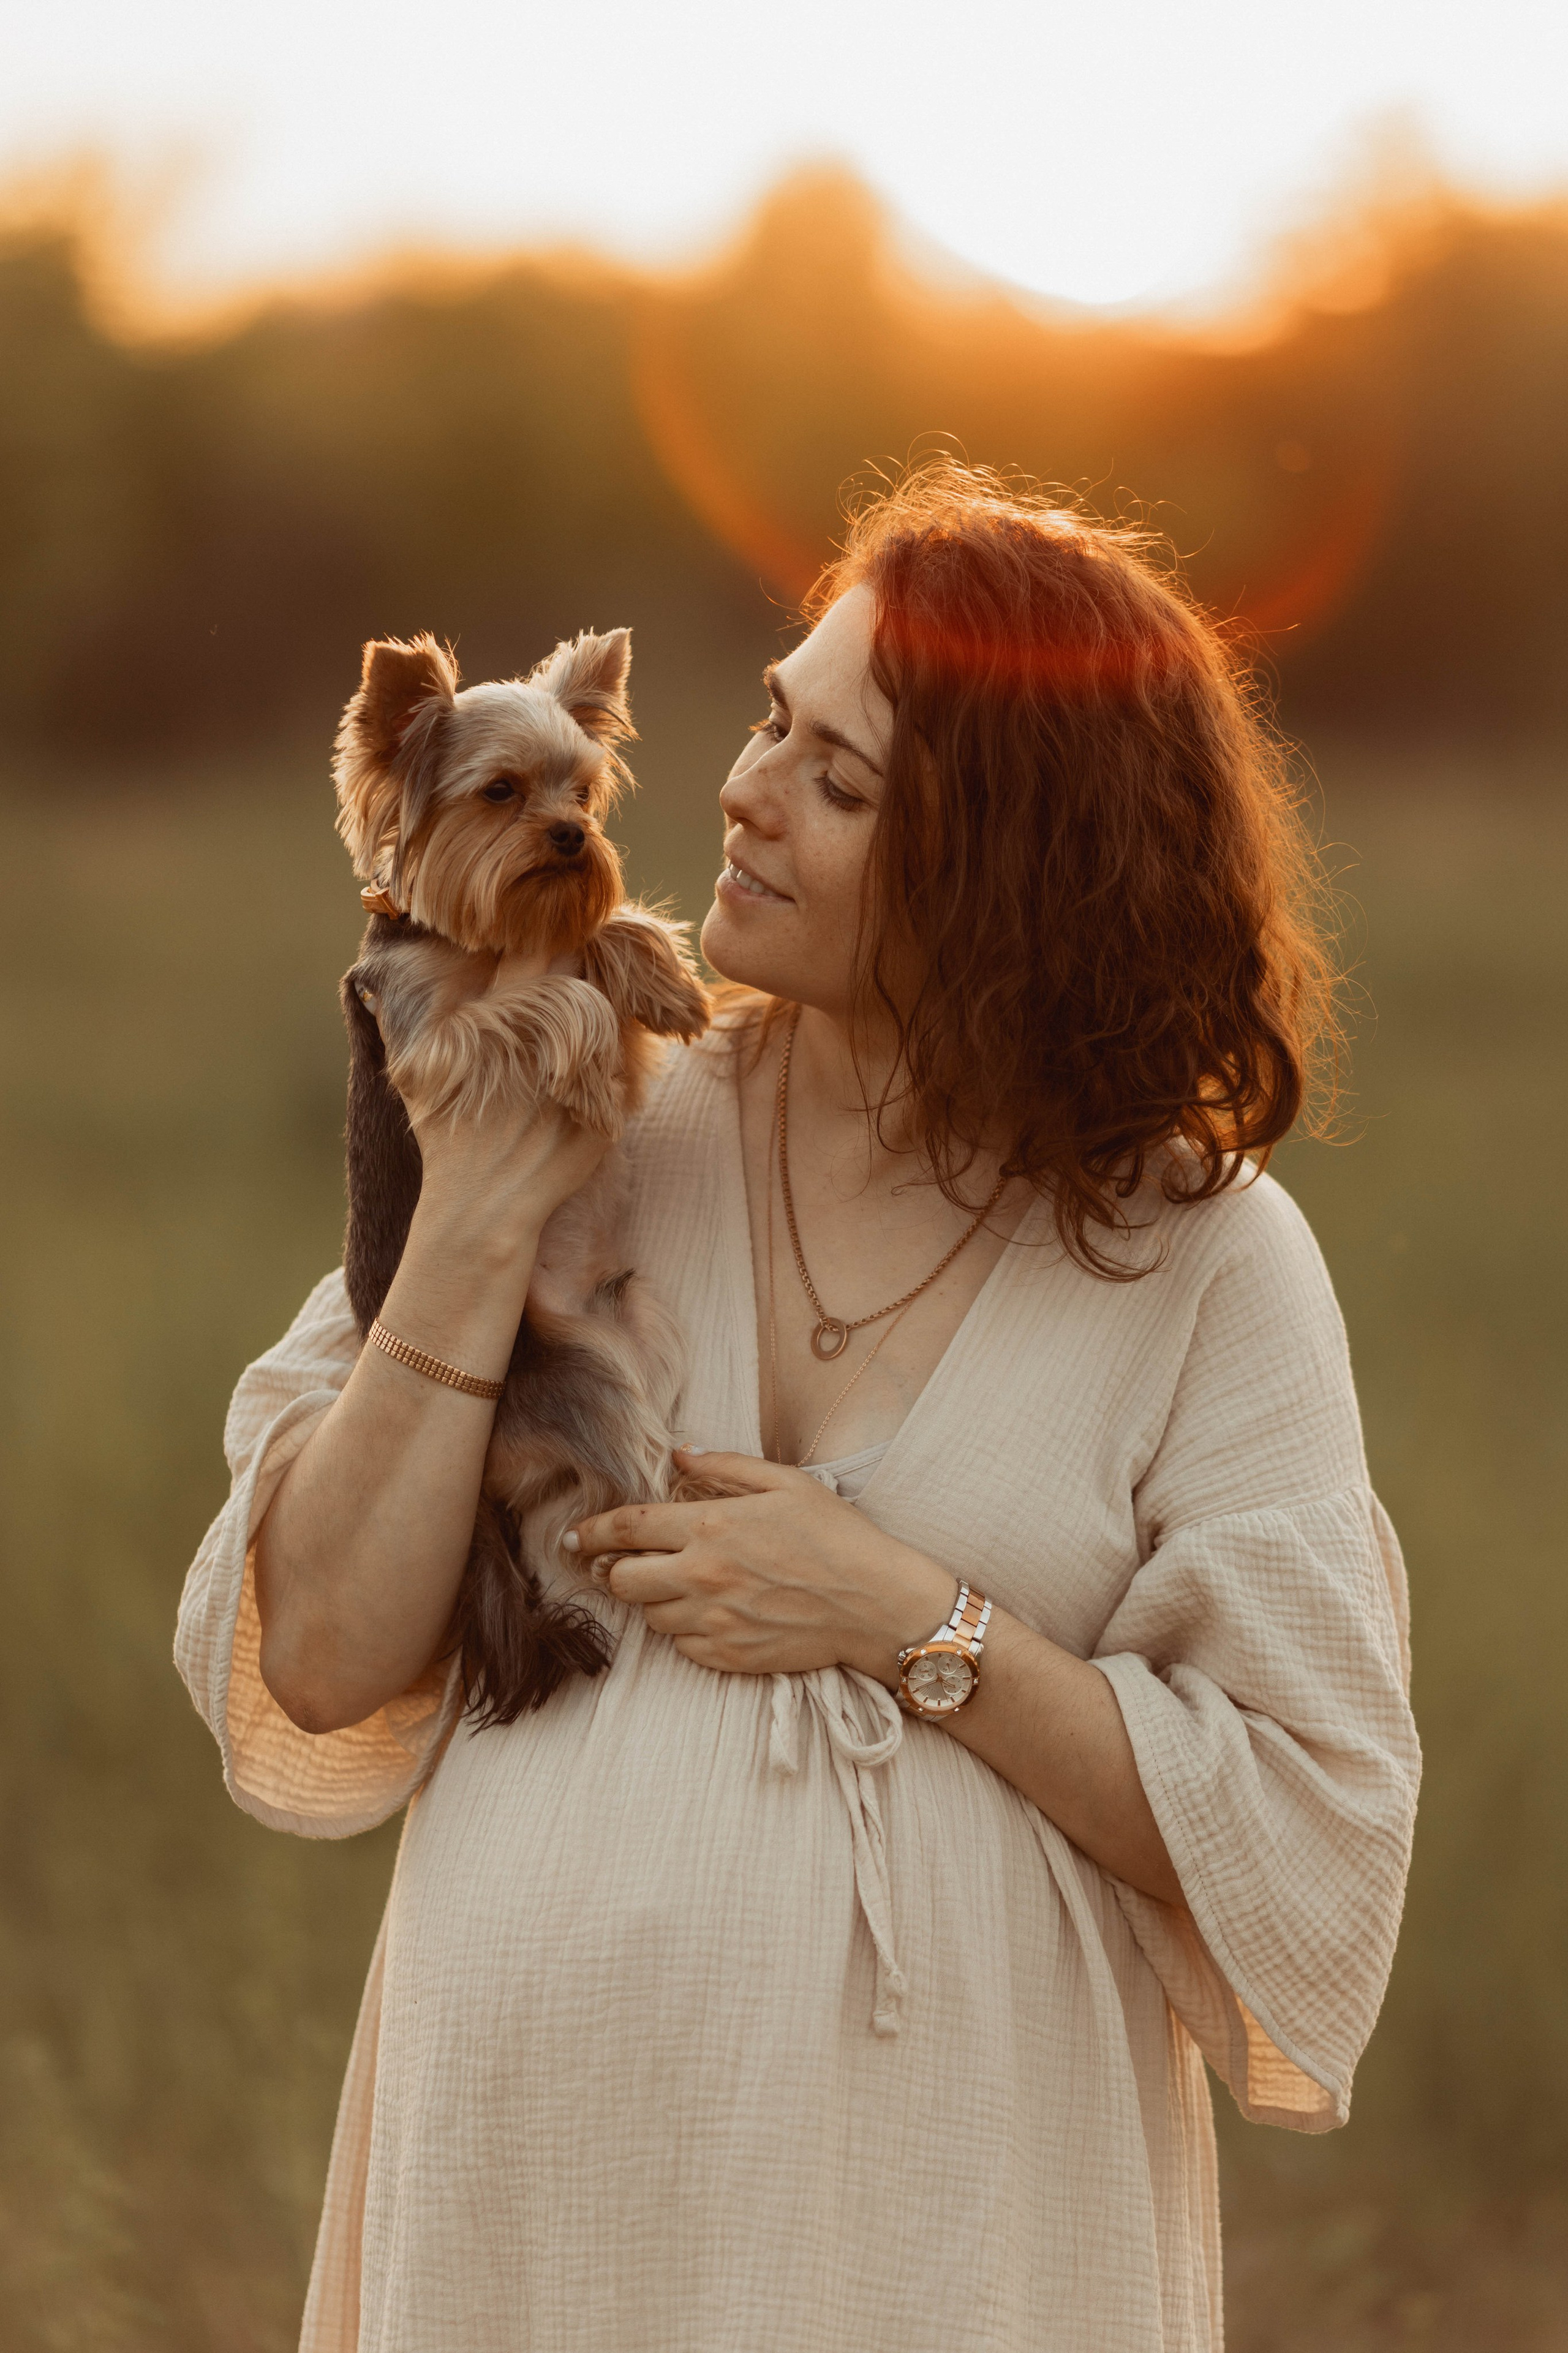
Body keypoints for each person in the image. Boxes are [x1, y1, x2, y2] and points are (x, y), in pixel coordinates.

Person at [176, 464, 1419, 2353]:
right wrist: (476, 1226)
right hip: (524, 2215)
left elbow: (1304, 1822)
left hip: (946, 2245)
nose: (744, 793)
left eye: (842, 782)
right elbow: (330, 1648)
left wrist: (912, 1620)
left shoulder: (1204, 1264)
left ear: (1012, 876)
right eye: (773, 717)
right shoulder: (588, 1087)